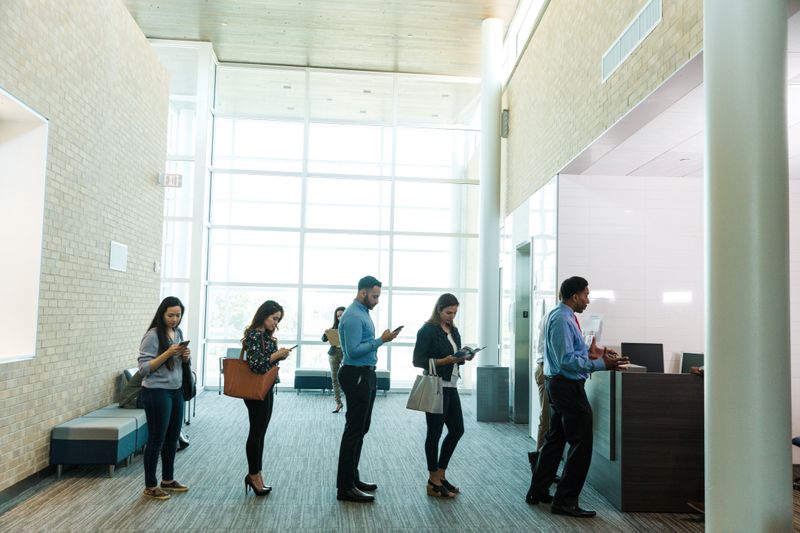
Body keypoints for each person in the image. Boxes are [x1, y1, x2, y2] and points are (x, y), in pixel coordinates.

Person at [527, 276, 628, 518]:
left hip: (559, 385)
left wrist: (594, 353)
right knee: (581, 444)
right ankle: (565, 501)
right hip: (566, 386)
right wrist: (602, 364)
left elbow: (570, 352)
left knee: (555, 440)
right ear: (575, 296)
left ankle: (538, 491)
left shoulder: (562, 315)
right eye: (586, 295)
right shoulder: (562, 319)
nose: (588, 300)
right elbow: (566, 361)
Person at [335, 275, 399, 503]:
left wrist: (380, 340)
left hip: (366, 374)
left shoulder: (363, 313)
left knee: (361, 428)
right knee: (354, 431)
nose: (377, 300)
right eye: (374, 296)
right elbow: (352, 352)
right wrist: (381, 340)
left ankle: (352, 478)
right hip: (356, 375)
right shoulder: (353, 315)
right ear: (362, 293)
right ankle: (345, 487)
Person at [412, 293, 474, 498]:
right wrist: (444, 361)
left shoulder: (453, 331)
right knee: (435, 432)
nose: (451, 316)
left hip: (451, 385)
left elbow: (455, 356)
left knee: (457, 430)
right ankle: (432, 480)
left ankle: (441, 474)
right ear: (439, 310)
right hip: (436, 385)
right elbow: (418, 360)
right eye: (448, 312)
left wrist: (464, 357)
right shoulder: (427, 330)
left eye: (454, 313)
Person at [138, 296, 192, 500]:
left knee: (172, 437)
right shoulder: (152, 335)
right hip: (156, 391)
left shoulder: (178, 333)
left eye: (178, 315)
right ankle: (150, 485)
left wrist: (185, 358)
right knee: (156, 438)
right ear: (162, 314)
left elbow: (178, 364)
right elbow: (144, 369)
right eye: (170, 315)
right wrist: (168, 353)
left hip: (176, 390)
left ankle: (167, 479)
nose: (175, 319)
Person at [241, 300, 293, 497]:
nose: (275, 323)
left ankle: (257, 474)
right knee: (256, 433)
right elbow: (257, 365)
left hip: (266, 388)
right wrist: (276, 355)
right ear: (263, 315)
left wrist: (280, 355)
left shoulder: (266, 336)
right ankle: (253, 475)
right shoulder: (254, 335)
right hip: (256, 390)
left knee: (260, 433)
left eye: (278, 320)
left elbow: (266, 363)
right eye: (274, 318)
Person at [120, 370, 189, 450]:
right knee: (164, 404)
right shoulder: (153, 369)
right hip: (131, 399)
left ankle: (176, 439)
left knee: (169, 403)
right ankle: (175, 440)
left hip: (142, 395)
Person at [322, 306, 346, 413]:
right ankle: (338, 403)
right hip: (334, 353)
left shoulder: (350, 327)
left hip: (345, 354)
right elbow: (323, 339)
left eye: (342, 315)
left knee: (348, 378)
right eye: (338, 316)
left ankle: (351, 401)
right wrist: (326, 333)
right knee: (334, 379)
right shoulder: (333, 327)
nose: (340, 317)